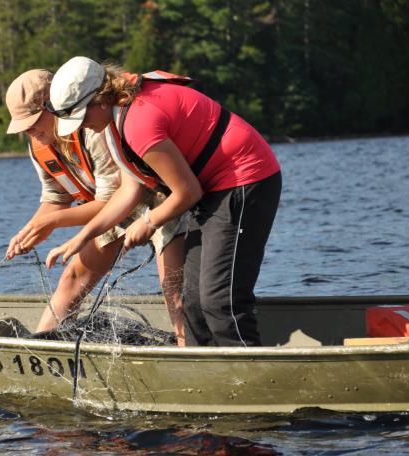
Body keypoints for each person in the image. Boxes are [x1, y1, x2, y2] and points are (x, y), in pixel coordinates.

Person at [45, 57, 281, 347]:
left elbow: (187, 192)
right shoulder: (112, 122)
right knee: (192, 301)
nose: (82, 128)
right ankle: (200, 376)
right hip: (211, 189)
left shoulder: (139, 123)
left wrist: (149, 222)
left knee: (219, 299)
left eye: (82, 117)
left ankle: (250, 376)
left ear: (101, 100)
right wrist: (82, 237)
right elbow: (129, 191)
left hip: (244, 180)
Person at [4, 69, 188, 345]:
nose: (29, 131)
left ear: (53, 106)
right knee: (72, 276)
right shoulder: (39, 145)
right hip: (114, 211)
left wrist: (52, 223)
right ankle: (43, 351)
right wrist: (31, 230)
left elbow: (111, 199)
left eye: (32, 122)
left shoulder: (91, 128)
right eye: (23, 126)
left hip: (157, 200)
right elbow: (55, 200)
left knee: (172, 288)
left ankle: (188, 355)